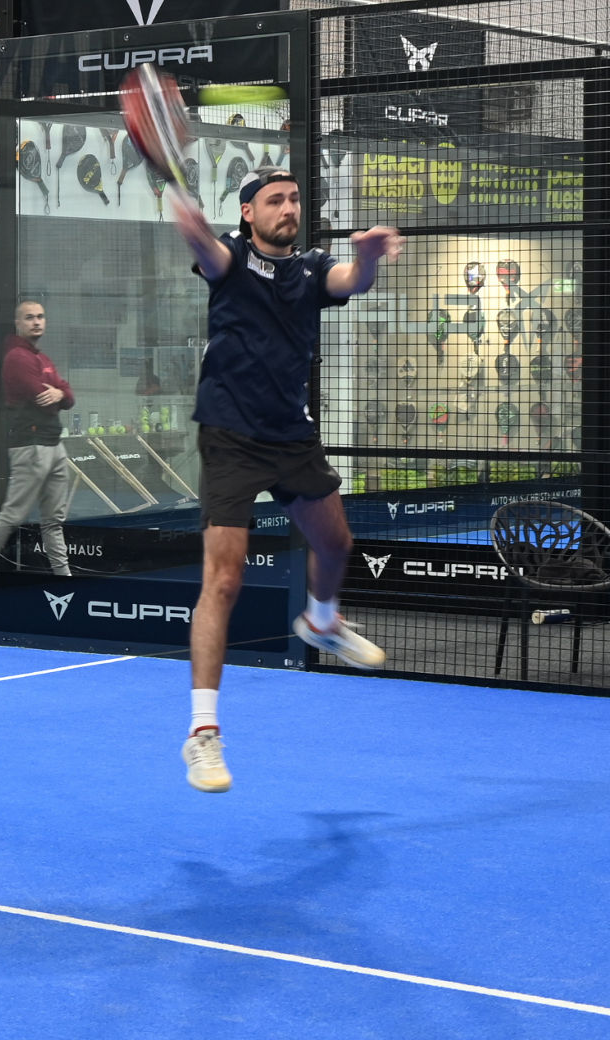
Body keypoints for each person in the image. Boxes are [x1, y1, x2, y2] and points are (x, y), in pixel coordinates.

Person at [168, 167, 403, 794]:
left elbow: (352, 280)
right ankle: (202, 734)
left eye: (294, 198)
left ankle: (322, 621)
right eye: (274, 200)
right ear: (248, 212)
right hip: (230, 437)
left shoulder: (312, 268)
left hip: (291, 435)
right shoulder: (229, 261)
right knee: (225, 576)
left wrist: (368, 257)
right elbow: (203, 246)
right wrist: (183, 209)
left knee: (336, 545)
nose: (288, 208)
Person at [0, 300, 75, 576]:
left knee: (53, 521)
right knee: (13, 515)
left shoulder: (41, 358)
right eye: (29, 317)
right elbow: (41, 397)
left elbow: (67, 395)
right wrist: (59, 394)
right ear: (18, 323)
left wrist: (60, 392)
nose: (36, 322)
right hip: (31, 446)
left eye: (41, 317)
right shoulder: (17, 358)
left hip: (54, 446)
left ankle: (63, 576)